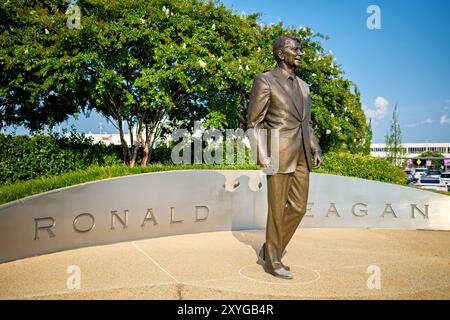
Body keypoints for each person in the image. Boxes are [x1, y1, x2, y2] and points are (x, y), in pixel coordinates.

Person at [247, 35, 322, 279]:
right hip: (277, 152)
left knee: (298, 208)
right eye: (295, 49)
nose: (300, 53)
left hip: (301, 153)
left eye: (300, 49)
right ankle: (273, 260)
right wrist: (262, 154)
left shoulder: (303, 86)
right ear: (281, 54)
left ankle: (271, 250)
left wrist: (315, 147)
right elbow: (254, 122)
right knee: (277, 208)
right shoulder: (265, 81)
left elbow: (306, 123)